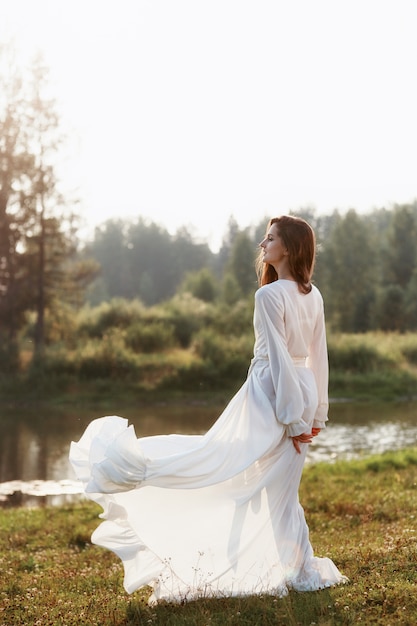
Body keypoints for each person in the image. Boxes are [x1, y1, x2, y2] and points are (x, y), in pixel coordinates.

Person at [70, 215, 348, 604]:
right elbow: (316, 360)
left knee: (262, 481)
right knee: (253, 476)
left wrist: (301, 418)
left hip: (273, 394)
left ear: (289, 248)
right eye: (265, 238)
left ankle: (298, 568)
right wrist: (313, 410)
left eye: (270, 239)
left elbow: (287, 358)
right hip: (293, 393)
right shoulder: (309, 294)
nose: (263, 245)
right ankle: (297, 568)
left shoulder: (270, 296)